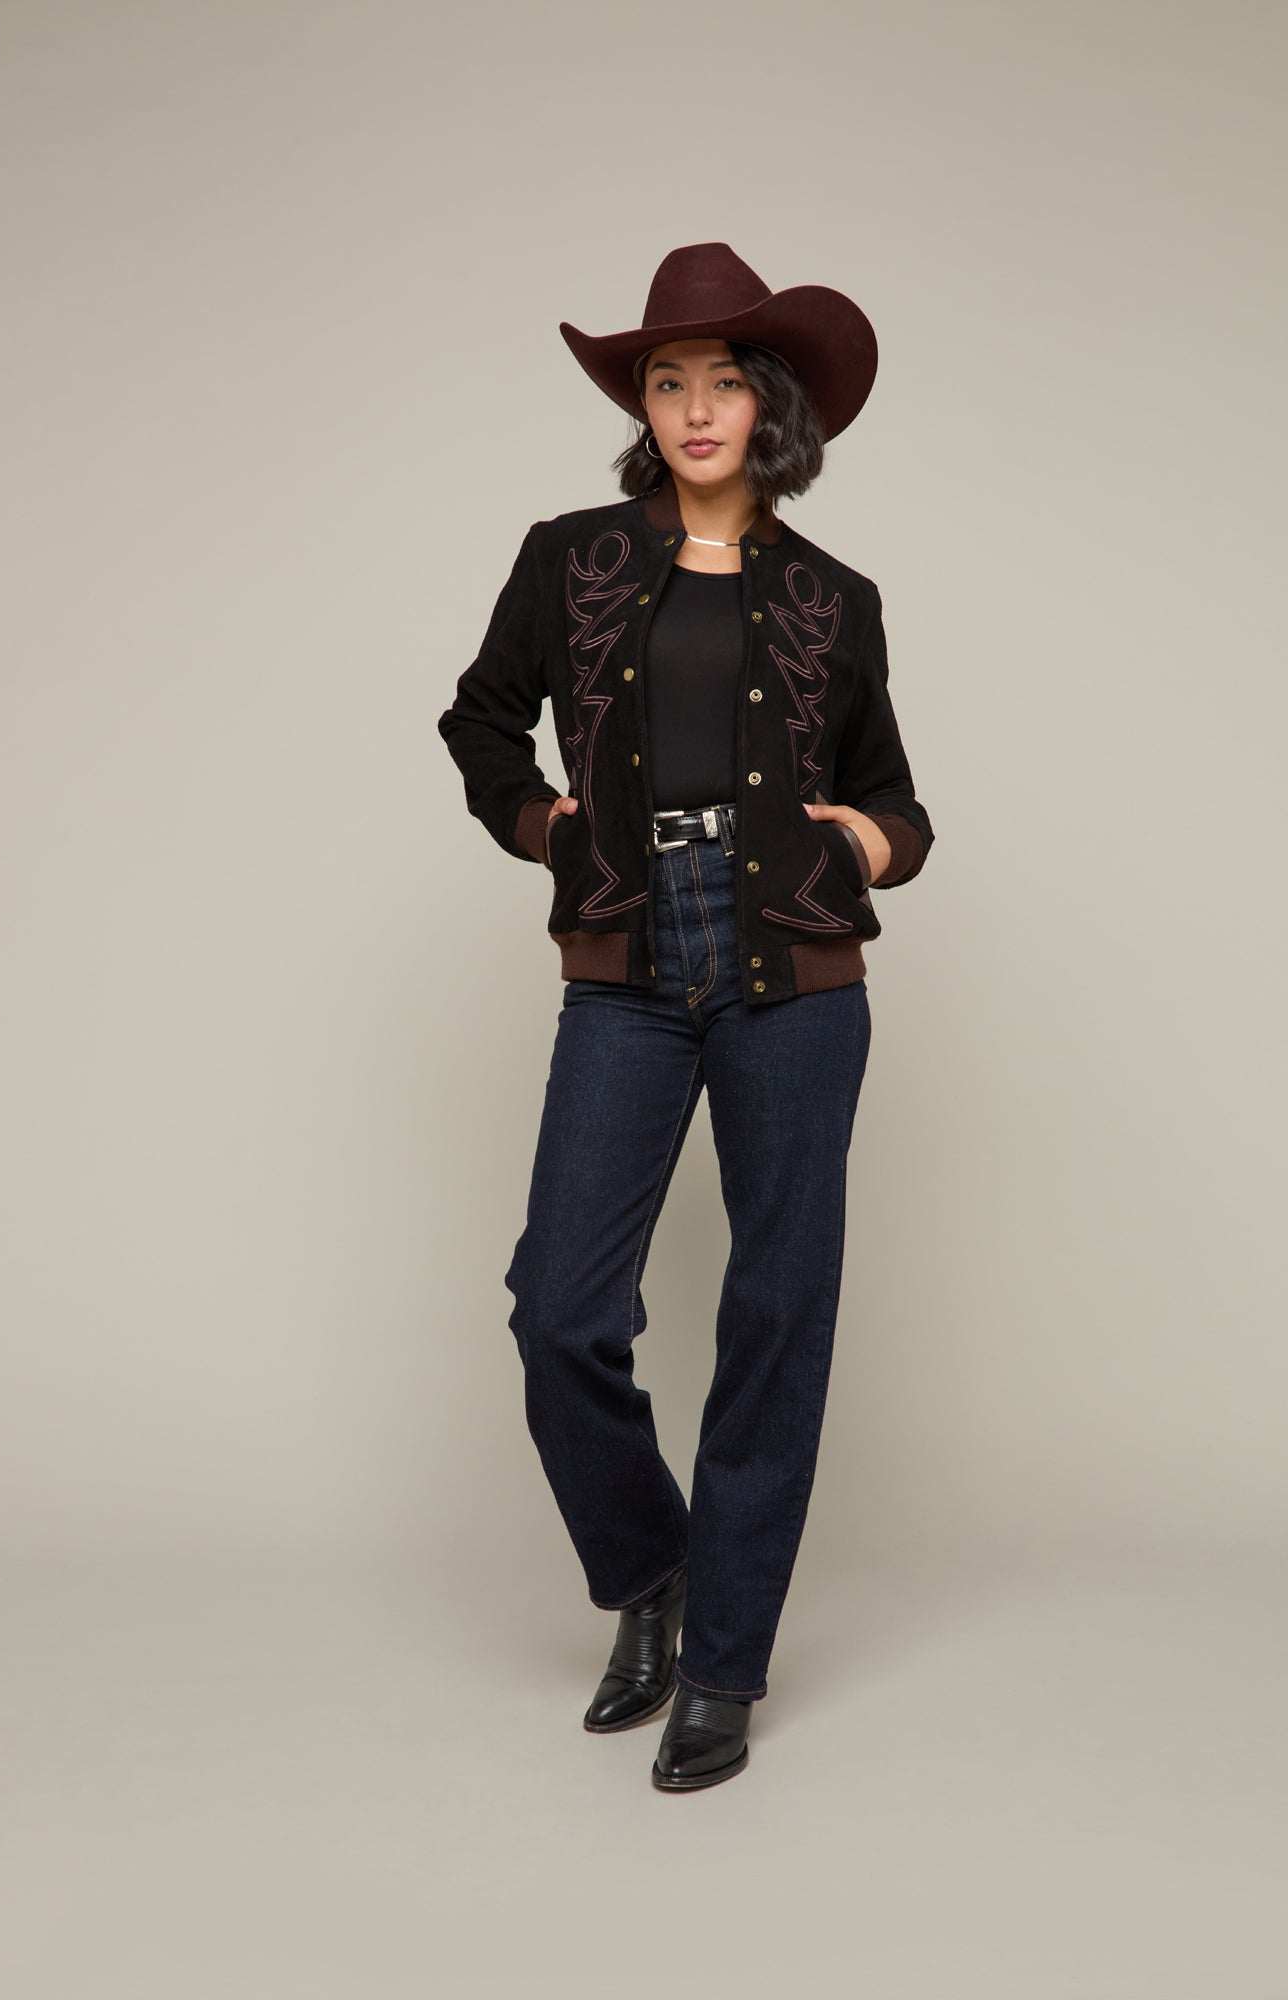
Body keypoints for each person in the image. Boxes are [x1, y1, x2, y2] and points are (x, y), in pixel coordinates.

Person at [436, 243, 934, 1791]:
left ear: (771, 405)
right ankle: (652, 1574)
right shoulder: (570, 558)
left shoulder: (835, 598)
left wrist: (874, 846)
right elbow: (479, 717)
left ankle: (722, 1663)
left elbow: (897, 796)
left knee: (777, 1316)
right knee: (561, 1311)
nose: (696, 408)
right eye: (668, 382)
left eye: (724, 381)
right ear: (642, 407)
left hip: (797, 968)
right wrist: (543, 826)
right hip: (630, 957)